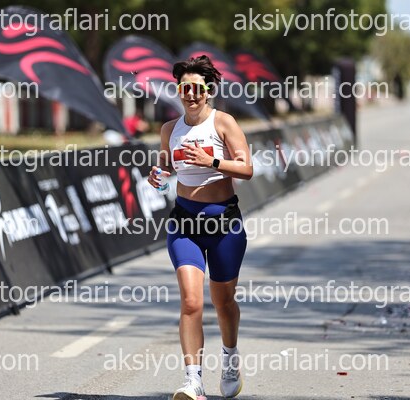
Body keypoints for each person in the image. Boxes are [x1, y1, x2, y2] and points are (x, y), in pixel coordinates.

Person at [147, 55, 253, 400]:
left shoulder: (223, 123)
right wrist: (157, 176)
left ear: (208, 90)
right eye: (184, 88)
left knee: (223, 301)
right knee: (191, 302)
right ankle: (193, 381)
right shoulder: (169, 129)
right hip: (184, 224)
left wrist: (213, 161)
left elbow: (247, 169)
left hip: (224, 225)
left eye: (197, 88)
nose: (190, 94)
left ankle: (230, 357)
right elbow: (165, 169)